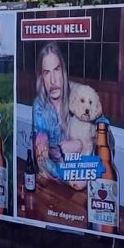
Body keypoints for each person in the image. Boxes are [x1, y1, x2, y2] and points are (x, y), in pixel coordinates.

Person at [30, 43, 73, 182]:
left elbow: (106, 141)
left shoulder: (80, 96)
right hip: (58, 185)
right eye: (46, 72)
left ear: (63, 71)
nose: (53, 80)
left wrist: (80, 144)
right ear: (41, 77)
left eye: (56, 69)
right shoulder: (40, 107)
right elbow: (42, 161)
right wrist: (71, 178)